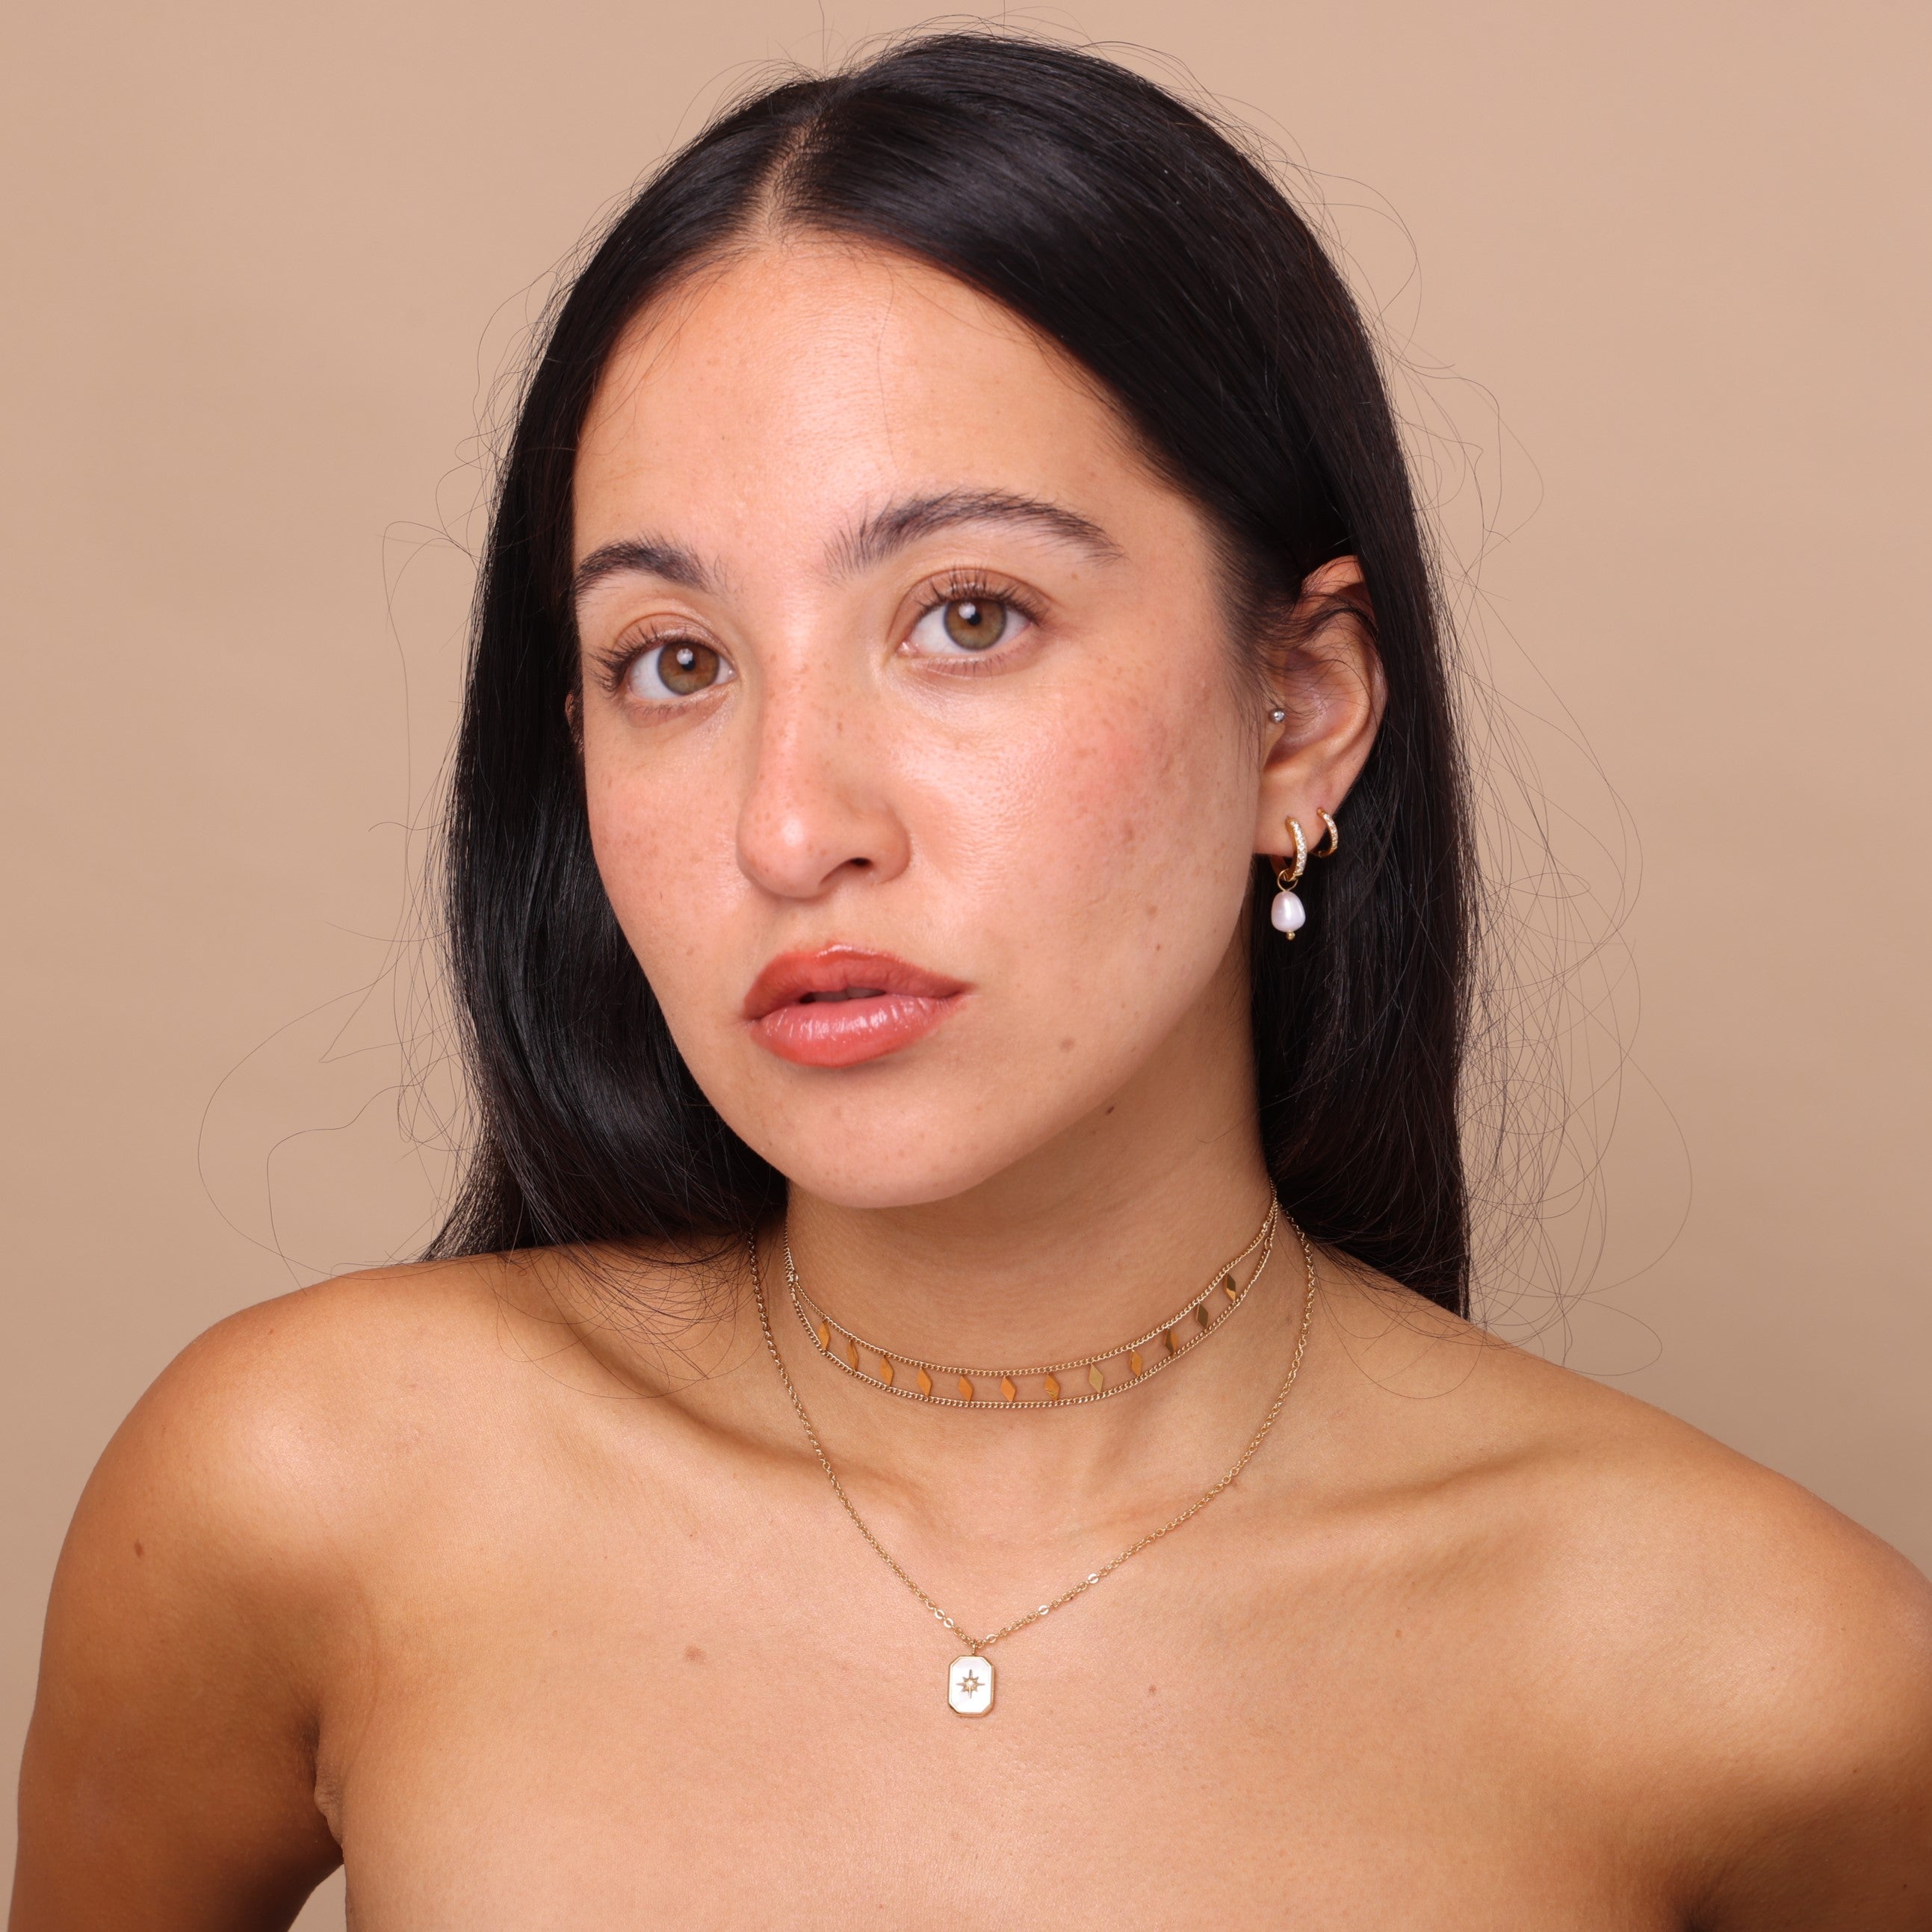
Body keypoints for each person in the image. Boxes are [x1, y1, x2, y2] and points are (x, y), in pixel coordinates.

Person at [12, 30, 1931, 1929]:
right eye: (674, 661)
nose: (792, 827)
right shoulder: (309, 1492)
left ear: (1299, 709)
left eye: (967, 617)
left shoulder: (1766, 1679)